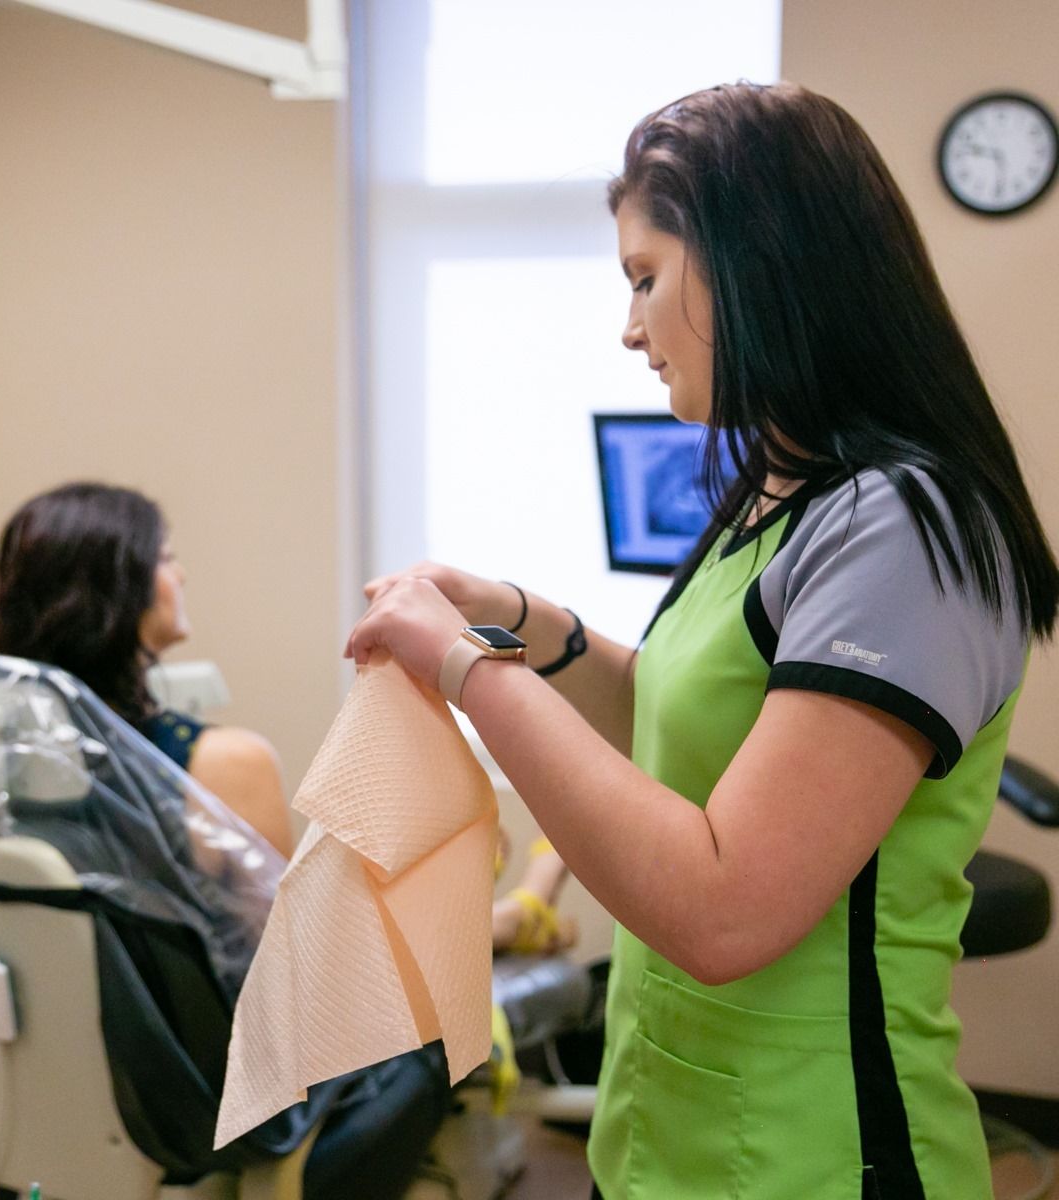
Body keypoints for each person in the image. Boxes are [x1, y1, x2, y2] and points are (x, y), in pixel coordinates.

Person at [347, 81, 1059, 1199]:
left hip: (815, 1149)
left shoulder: (904, 528)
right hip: (668, 1121)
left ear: (755, 259)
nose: (628, 327)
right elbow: (680, 729)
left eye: (645, 278)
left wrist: (465, 667)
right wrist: (517, 617)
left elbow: (725, 909)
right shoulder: (776, 495)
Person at [0, 482, 294, 858]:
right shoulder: (232, 764)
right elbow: (279, 918)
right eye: (166, 558)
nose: (180, 575)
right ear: (117, 587)